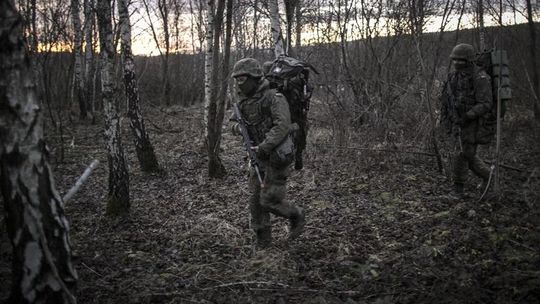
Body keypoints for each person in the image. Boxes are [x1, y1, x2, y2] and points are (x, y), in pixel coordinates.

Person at [230, 58, 305, 248]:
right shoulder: (243, 101)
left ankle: (296, 214)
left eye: (243, 78)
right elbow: (232, 123)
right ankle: (264, 247)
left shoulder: (274, 98)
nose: (240, 83)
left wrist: (264, 146)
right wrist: (239, 129)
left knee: (269, 200)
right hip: (257, 156)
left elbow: (282, 126)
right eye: (237, 79)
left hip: (278, 155)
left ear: (254, 77)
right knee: (255, 202)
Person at [440, 43, 493, 196]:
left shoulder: (480, 77)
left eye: (460, 60)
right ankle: (488, 178)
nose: (457, 62)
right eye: (455, 59)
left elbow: (486, 103)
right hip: (456, 122)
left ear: (468, 60)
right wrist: (445, 120)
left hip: (474, 123)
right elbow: (446, 100)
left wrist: (468, 115)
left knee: (463, 154)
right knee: (466, 154)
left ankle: (459, 188)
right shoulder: (453, 76)